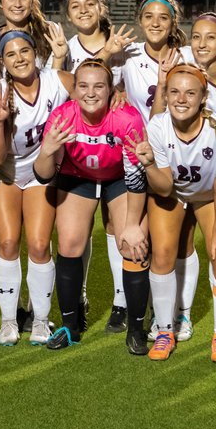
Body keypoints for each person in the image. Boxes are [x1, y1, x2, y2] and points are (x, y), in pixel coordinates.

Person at [33, 60, 147, 351]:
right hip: (77, 176)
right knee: (70, 243)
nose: (91, 93)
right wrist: (47, 151)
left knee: (132, 245)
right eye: (83, 86)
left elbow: (136, 174)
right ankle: (70, 326)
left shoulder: (127, 118)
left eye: (99, 86)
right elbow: (43, 175)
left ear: (111, 90)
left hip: (120, 178)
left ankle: (136, 329)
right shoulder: (62, 116)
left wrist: (132, 225)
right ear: (74, 89)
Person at [130, 64, 216, 362]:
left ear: (203, 97)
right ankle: (165, 330)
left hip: (210, 196)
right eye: (174, 92)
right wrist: (149, 165)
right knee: (162, 255)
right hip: (172, 193)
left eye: (190, 93)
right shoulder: (158, 126)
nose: (181, 99)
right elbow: (164, 187)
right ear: (165, 95)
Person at [0, 30, 74, 345]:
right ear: (3, 62)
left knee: (38, 244)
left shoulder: (57, 80)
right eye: (10, 54)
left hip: (41, 171)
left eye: (24, 51)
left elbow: (92, 88)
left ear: (36, 52)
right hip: (5, 172)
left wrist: (115, 96)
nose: (19, 58)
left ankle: (40, 320)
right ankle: (9, 322)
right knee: (8, 241)